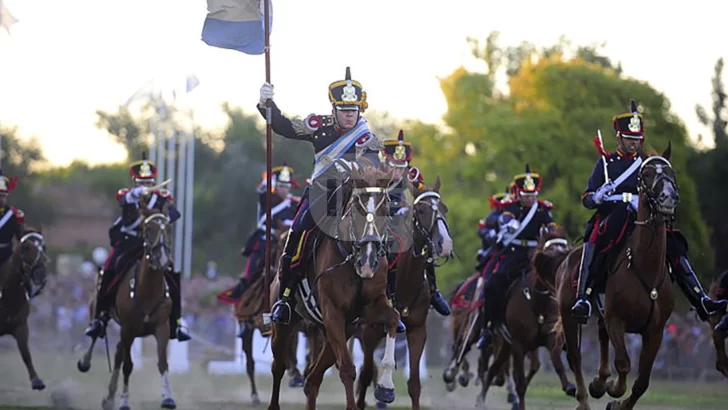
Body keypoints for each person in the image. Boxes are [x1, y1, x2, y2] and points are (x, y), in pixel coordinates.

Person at [571, 100, 726, 324]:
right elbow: (587, 198)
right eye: (629, 139)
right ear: (619, 138)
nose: (634, 144)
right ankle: (583, 297)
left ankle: (699, 297)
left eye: (637, 140)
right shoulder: (605, 163)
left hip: (641, 215)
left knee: (673, 242)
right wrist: (597, 196)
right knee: (595, 239)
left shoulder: (648, 164)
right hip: (612, 214)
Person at [258, 67, 384, 325]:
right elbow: (283, 127)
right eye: (344, 110)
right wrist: (266, 104)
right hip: (320, 195)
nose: (349, 116)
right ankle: (285, 296)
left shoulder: (367, 138)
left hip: (351, 197)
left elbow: (373, 164)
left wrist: (357, 168)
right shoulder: (318, 126)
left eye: (353, 111)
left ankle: (388, 299)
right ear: (334, 109)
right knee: (297, 234)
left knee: (384, 235)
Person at [84, 153, 191, 341]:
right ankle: (100, 318)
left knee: (172, 271)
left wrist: (161, 218)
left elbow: (174, 213)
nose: (146, 186)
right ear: (135, 182)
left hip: (152, 244)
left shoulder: (162, 197)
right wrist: (136, 195)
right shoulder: (127, 195)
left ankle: (177, 321)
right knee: (109, 269)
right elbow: (122, 200)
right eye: (142, 182)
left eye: (149, 182)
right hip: (128, 243)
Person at [477, 165, 557, 349]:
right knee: (493, 285)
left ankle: (558, 326)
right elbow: (504, 217)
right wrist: (509, 222)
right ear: (519, 194)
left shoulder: (542, 210)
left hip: (534, 256)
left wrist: (551, 231)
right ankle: (488, 329)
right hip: (513, 255)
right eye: (526, 195)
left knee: (555, 284)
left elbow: (551, 224)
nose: (530, 198)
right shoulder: (512, 207)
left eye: (533, 194)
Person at [379, 131, 451, 318]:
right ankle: (383, 294)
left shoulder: (411, 174)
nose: (399, 171)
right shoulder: (376, 173)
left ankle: (433, 291)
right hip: (379, 218)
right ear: (387, 161)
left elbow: (421, 193)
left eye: (402, 166)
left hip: (402, 219)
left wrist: (415, 205)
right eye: (395, 166)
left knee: (423, 245)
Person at [219, 164, 300, 305]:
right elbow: (262, 190)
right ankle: (245, 311)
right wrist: (269, 181)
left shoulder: (294, 204)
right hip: (267, 243)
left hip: (288, 244)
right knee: (252, 274)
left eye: (287, 186)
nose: (285, 189)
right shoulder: (268, 199)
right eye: (281, 185)